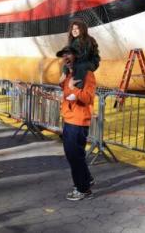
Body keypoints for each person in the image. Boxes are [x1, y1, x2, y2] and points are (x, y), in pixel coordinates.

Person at [57, 45, 96, 201]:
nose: (65, 58)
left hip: (78, 121)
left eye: (68, 54)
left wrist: (74, 90)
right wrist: (63, 83)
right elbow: (67, 92)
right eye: (63, 55)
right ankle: (87, 179)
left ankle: (83, 189)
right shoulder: (70, 74)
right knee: (75, 155)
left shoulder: (87, 74)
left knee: (74, 156)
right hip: (69, 118)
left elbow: (88, 98)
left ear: (77, 56)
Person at [65, 18, 100, 89]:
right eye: (73, 29)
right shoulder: (73, 41)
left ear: (82, 29)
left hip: (89, 63)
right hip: (83, 64)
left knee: (80, 67)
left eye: (77, 29)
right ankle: (72, 87)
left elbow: (83, 57)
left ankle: (77, 88)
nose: (74, 30)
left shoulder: (86, 40)